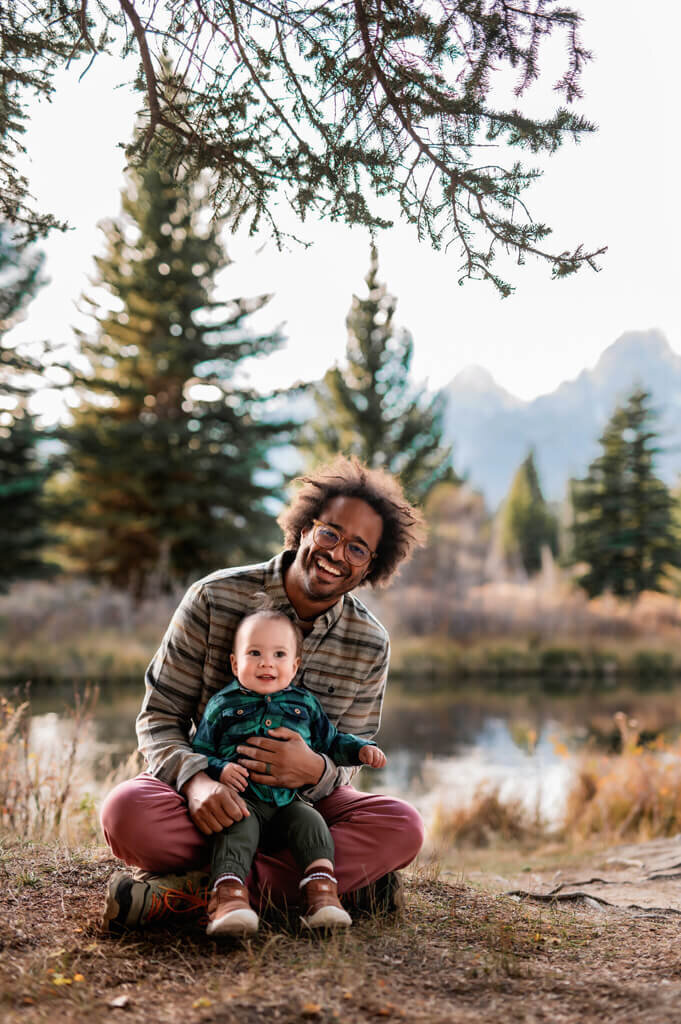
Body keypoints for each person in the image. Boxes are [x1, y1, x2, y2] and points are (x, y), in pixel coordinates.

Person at [101, 455, 426, 931]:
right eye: (330, 533)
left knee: (402, 827)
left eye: (358, 549)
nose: (337, 554)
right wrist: (197, 784)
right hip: (220, 795)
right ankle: (331, 882)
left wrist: (313, 768)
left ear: (373, 565)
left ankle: (195, 893)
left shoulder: (369, 640)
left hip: (306, 806)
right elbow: (159, 718)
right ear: (305, 528)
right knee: (127, 814)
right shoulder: (214, 598)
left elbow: (348, 757)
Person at [195, 607, 387, 936]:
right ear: (234, 663)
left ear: (295, 665)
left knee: (311, 822)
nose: (266, 662)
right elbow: (200, 750)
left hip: (288, 804)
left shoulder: (305, 705)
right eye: (254, 653)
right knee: (235, 828)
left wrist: (359, 749)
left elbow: (331, 741)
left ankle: (322, 895)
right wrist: (221, 768)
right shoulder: (222, 705)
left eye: (279, 654)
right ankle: (228, 900)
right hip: (244, 802)